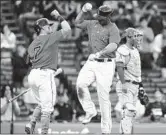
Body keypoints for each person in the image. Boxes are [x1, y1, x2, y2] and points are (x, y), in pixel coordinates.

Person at [75, 3, 120, 134]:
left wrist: (100, 53)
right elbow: (77, 23)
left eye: (101, 16)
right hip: (92, 61)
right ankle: (90, 110)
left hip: (106, 63)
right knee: (80, 84)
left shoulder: (113, 28)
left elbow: (113, 45)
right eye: (98, 15)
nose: (98, 18)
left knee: (103, 97)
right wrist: (83, 10)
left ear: (108, 17)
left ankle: (106, 130)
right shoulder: (92, 23)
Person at [25, 9, 71, 134]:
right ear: (42, 28)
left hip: (33, 75)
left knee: (42, 103)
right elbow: (67, 29)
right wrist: (59, 16)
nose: (51, 27)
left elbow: (28, 61)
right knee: (47, 108)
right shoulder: (50, 37)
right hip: (45, 75)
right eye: (48, 26)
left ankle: (31, 123)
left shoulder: (32, 44)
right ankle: (44, 132)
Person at [115, 28, 148, 134]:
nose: (138, 39)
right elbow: (119, 67)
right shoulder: (122, 49)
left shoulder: (135, 50)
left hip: (135, 85)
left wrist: (141, 88)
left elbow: (137, 72)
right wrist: (123, 83)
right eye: (135, 36)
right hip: (126, 84)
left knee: (131, 113)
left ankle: (126, 133)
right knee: (129, 111)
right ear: (128, 37)